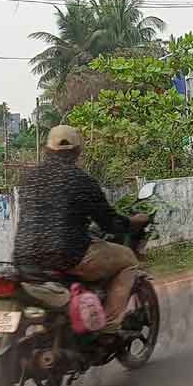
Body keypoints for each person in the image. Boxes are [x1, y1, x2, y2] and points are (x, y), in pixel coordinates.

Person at [13, 125, 149, 333]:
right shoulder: (82, 181)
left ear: (47, 150)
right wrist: (133, 223)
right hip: (68, 255)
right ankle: (110, 325)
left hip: (26, 257)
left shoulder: (29, 180)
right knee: (128, 260)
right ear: (77, 152)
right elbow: (109, 223)